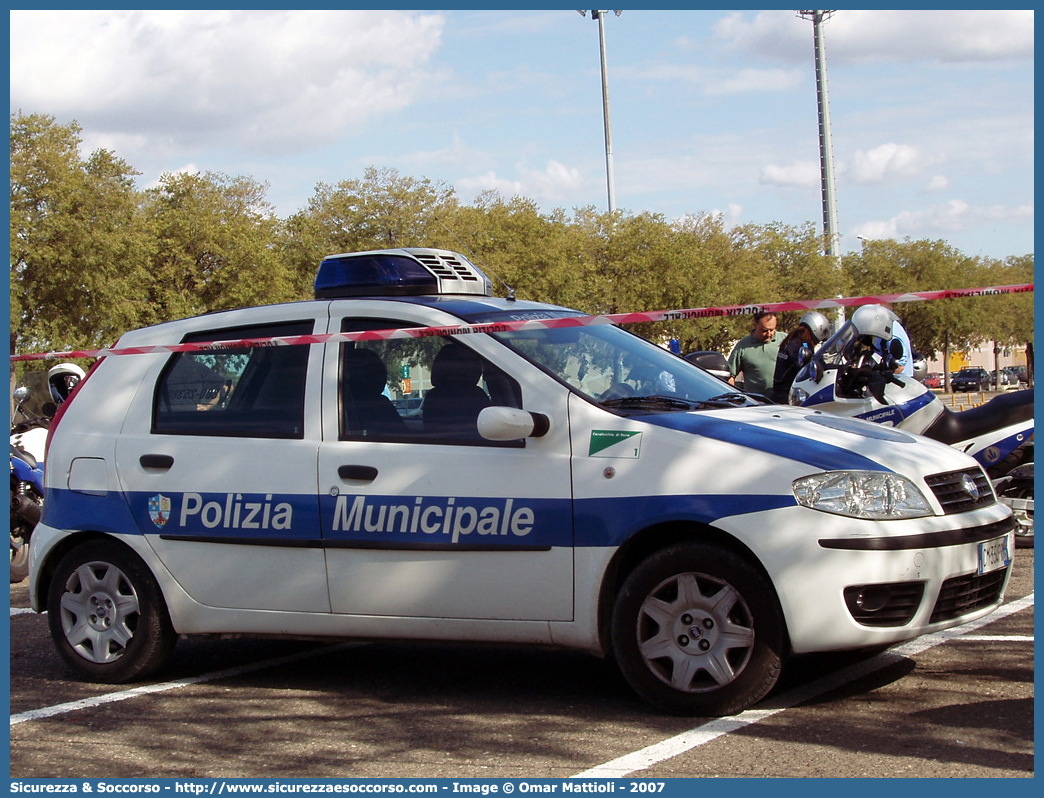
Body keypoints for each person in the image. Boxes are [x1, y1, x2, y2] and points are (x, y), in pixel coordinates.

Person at [770, 311, 832, 403]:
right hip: (788, 397)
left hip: (779, 394)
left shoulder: (791, 341)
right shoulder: (800, 346)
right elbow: (812, 367)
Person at [727, 310, 785, 397]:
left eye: (772, 330)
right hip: (755, 403)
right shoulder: (743, 346)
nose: (769, 334)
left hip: (783, 402)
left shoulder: (785, 340)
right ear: (755, 325)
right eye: (764, 330)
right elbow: (730, 376)